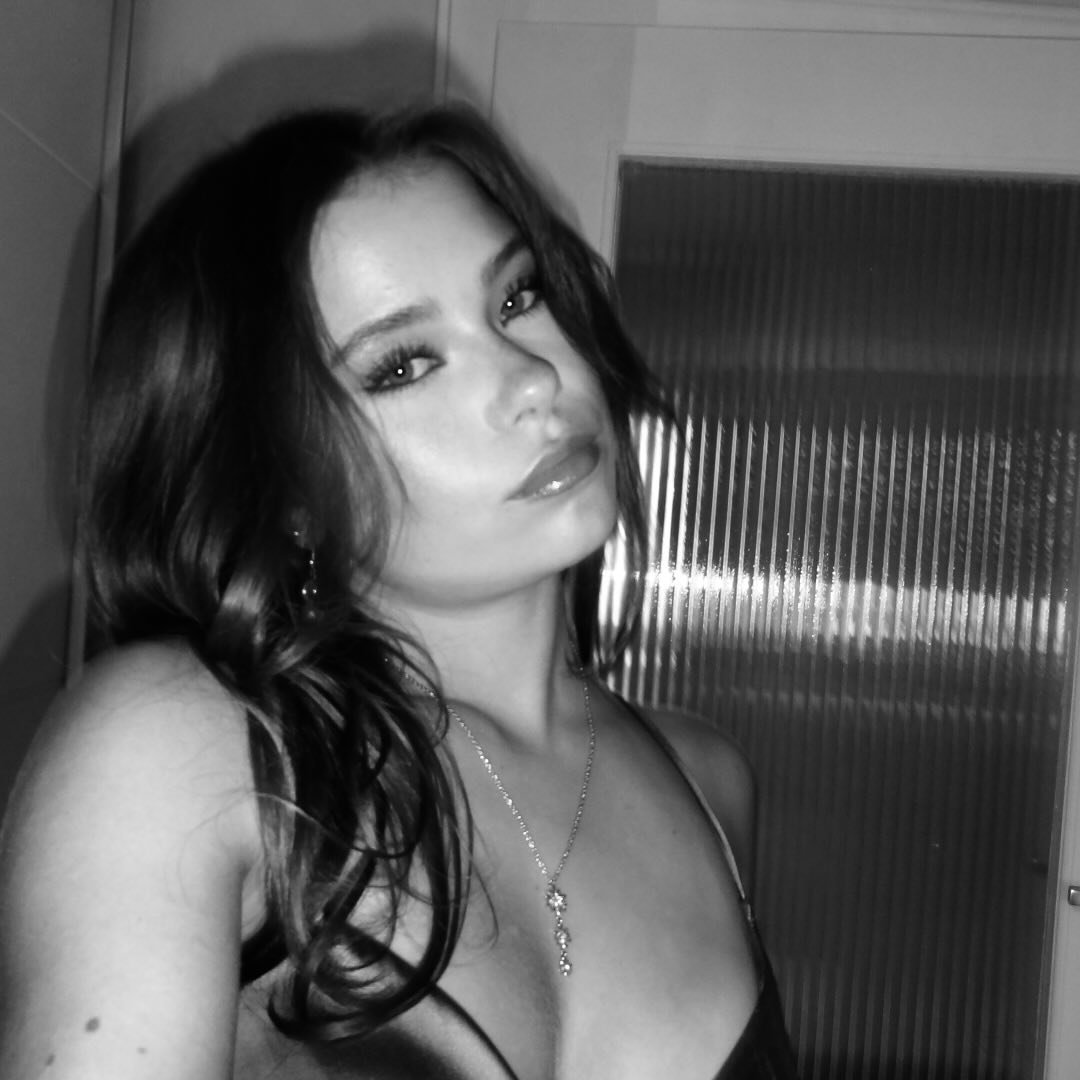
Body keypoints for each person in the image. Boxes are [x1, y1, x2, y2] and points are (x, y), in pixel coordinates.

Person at [0, 102, 799, 1079]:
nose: (532, 378)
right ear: (282, 489)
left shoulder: (710, 786)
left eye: (516, 297)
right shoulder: (183, 752)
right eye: (403, 365)